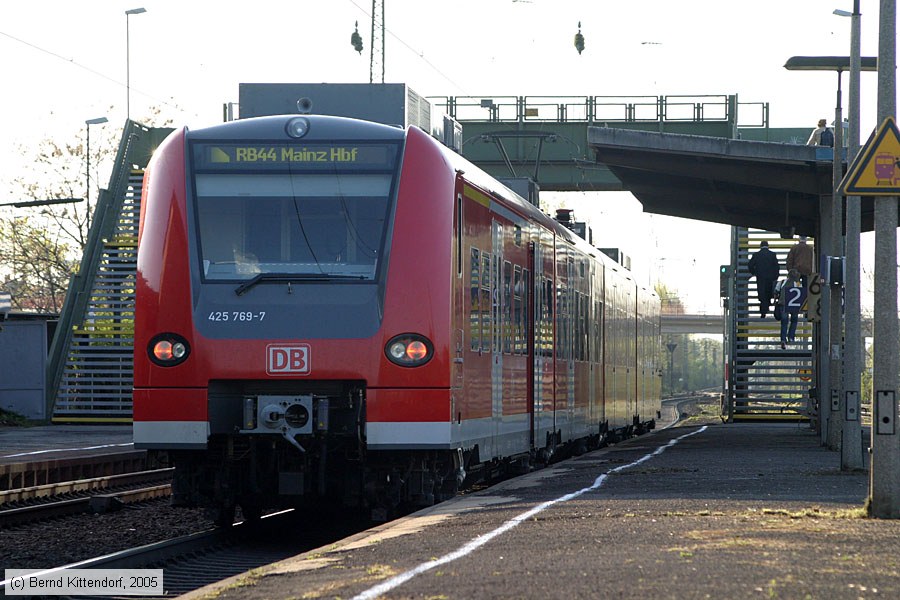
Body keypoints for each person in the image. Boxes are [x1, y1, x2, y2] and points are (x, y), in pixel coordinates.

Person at [747, 240, 780, 318]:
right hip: (770, 278)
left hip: (761, 278)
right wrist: (776, 276)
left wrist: (754, 273)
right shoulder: (772, 254)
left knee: (762, 294)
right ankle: (767, 307)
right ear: (768, 246)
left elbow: (750, 265)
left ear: (760, 246)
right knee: (769, 293)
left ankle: (763, 312)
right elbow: (776, 266)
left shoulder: (756, 255)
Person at [776, 269, 804, 349]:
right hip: (794, 305)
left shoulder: (782, 282)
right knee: (794, 320)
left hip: (783, 304)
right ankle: (791, 337)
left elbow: (776, 291)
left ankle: (783, 340)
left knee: (784, 322)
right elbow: (801, 292)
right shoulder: (798, 283)